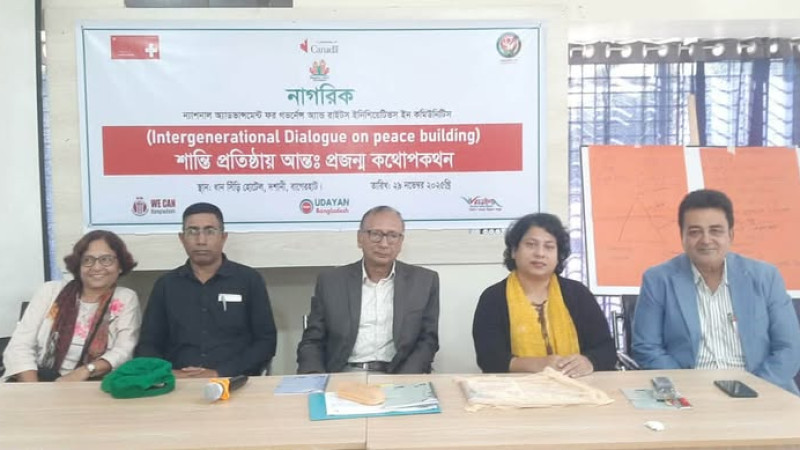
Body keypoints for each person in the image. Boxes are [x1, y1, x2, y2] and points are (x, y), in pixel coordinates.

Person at [632, 189, 800, 393]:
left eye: (715, 230)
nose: (706, 240)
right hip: (690, 391)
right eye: (695, 232)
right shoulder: (658, 280)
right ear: (682, 236)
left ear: (731, 235)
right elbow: (647, 348)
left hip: (763, 388)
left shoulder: (765, 277)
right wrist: (688, 387)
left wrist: (754, 390)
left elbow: (790, 348)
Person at [135, 202, 276, 378]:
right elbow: (148, 344)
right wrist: (169, 374)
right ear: (182, 238)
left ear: (223, 237)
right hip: (176, 383)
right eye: (193, 231)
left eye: (210, 231)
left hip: (234, 380)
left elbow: (266, 342)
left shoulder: (249, 280)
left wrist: (220, 373)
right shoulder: (166, 285)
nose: (201, 240)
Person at [296, 205, 440, 374]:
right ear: (360, 238)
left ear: (401, 242)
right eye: (376, 234)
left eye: (392, 236)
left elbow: (428, 340)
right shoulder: (331, 282)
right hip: (345, 373)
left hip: (400, 373)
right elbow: (312, 341)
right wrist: (314, 379)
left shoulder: (424, 281)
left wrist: (405, 379)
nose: (384, 244)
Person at [473, 213, 616, 376]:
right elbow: (489, 359)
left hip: (575, 384)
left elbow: (606, 349)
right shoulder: (493, 298)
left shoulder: (578, 294)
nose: (540, 253)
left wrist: (589, 361)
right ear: (514, 251)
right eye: (531, 244)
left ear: (558, 255)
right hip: (515, 388)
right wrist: (537, 364)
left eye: (549, 247)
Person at [3, 230, 141, 382]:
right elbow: (19, 346)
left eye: (106, 260)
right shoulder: (50, 291)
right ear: (78, 266)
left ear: (120, 266)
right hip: (39, 380)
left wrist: (86, 371)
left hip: (94, 385)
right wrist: (35, 389)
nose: (96, 267)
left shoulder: (125, 298)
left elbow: (124, 350)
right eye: (88, 260)